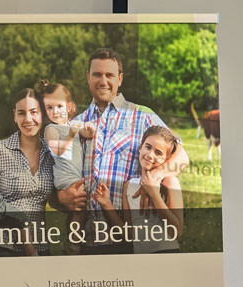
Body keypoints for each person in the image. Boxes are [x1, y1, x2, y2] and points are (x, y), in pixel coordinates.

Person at [58, 48, 189, 254]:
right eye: (97, 74)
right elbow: (58, 175)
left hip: (130, 241)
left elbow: (181, 157)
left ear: (119, 79)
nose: (103, 81)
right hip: (87, 239)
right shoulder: (74, 125)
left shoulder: (142, 116)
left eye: (109, 75)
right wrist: (60, 198)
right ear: (88, 77)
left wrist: (152, 179)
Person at [0, 89, 56, 255]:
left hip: (39, 247)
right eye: (21, 113)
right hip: (1, 246)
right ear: (15, 116)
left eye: (34, 112)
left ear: (43, 114)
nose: (28, 119)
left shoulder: (52, 153)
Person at [92, 125, 185, 253]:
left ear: (166, 159)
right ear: (140, 148)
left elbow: (177, 231)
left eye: (158, 153)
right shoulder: (129, 185)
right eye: (148, 147)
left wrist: (154, 194)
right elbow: (128, 234)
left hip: (167, 253)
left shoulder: (169, 182)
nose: (150, 155)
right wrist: (107, 204)